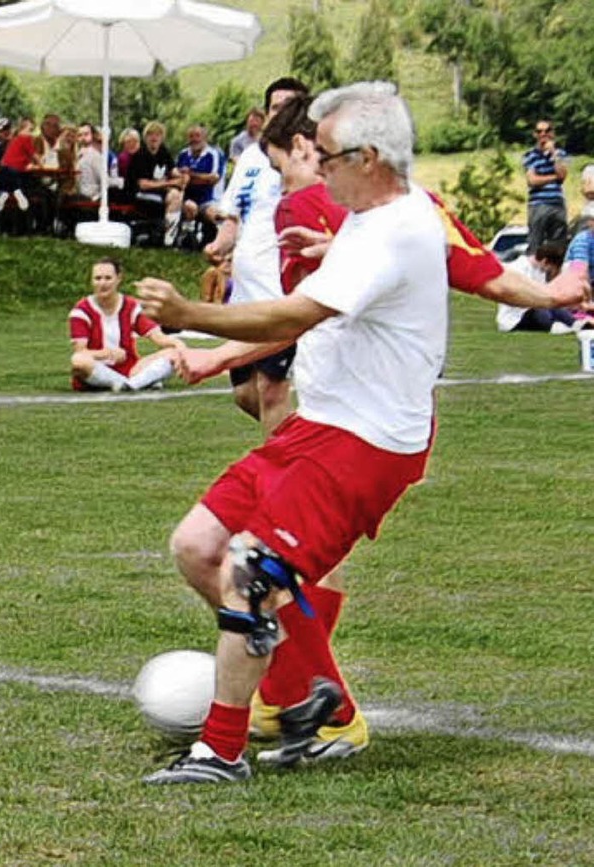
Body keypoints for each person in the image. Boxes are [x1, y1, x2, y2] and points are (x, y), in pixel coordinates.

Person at [136, 81, 450, 785]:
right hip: (320, 427)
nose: (313, 169)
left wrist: (193, 313)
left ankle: (219, 752)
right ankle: (314, 702)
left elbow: (291, 318)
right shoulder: (368, 222)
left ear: (368, 156)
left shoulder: (394, 229)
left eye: (324, 156)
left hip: (365, 443)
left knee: (250, 569)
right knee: (197, 545)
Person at [203, 76, 309, 438]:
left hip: (281, 292)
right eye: (276, 108)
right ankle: (310, 449)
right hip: (244, 294)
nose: (281, 114)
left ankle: (284, 479)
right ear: (265, 114)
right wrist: (219, 246)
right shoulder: (250, 157)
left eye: (290, 107)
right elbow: (233, 216)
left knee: (271, 389)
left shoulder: (308, 160)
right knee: (245, 394)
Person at [69, 258, 182, 392]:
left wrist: (178, 345)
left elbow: (157, 337)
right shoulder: (81, 311)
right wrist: (107, 354)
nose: (102, 283)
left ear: (118, 279)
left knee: (173, 354)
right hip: (96, 368)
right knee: (78, 361)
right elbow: (81, 352)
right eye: (98, 278)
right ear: (91, 281)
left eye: (108, 278)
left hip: (131, 368)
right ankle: (136, 382)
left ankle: (130, 384)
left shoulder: (131, 307)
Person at [495, 243, 582, 333]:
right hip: (515, 318)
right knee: (539, 307)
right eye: (551, 268)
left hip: (530, 310)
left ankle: (575, 323)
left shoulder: (540, 271)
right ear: (544, 261)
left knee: (553, 302)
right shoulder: (518, 269)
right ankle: (553, 326)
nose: (549, 272)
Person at [124, 120, 185, 247]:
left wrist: (182, 177)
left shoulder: (163, 152)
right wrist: (169, 183)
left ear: (162, 137)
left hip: (159, 191)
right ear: (145, 137)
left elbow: (173, 171)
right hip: (138, 194)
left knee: (176, 196)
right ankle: (167, 239)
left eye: (158, 134)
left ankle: (171, 238)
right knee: (173, 196)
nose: (154, 138)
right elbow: (143, 184)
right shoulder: (140, 156)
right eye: (151, 134)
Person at [523, 119, 568, 253]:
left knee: (558, 246)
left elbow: (563, 175)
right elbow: (532, 181)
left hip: (557, 204)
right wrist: (554, 177)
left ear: (552, 133)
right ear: (535, 134)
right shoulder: (530, 155)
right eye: (539, 131)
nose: (543, 134)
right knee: (535, 244)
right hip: (538, 204)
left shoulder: (560, 154)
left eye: (547, 130)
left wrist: (554, 153)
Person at [176, 125, 222, 242]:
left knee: (216, 215)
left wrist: (191, 175)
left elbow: (214, 179)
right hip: (186, 198)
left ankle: (219, 242)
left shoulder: (213, 154)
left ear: (204, 138)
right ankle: (186, 240)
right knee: (190, 207)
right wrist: (203, 178)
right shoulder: (183, 154)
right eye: (191, 136)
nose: (194, 139)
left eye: (197, 136)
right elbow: (179, 178)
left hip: (207, 200)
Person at [0, 117, 41, 213]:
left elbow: (27, 158)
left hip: (12, 176)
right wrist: (40, 164)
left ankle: (10, 192)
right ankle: (16, 191)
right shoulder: (1, 148)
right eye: (2, 131)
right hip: (13, 176)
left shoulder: (16, 141)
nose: (4, 133)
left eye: (7, 130)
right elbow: (33, 156)